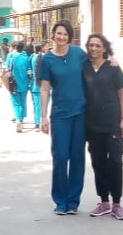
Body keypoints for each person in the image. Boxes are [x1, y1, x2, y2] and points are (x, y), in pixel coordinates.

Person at [39, 20, 88, 216]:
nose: (61, 37)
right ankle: (60, 200)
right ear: (54, 35)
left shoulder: (78, 53)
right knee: (60, 156)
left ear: (70, 37)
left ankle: (73, 201)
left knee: (77, 158)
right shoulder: (47, 59)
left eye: (65, 34)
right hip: (60, 115)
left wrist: (113, 60)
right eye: (59, 33)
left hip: (81, 113)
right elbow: (44, 88)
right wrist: (43, 117)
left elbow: (96, 63)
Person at [83, 33, 123, 221]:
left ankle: (117, 203)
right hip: (92, 124)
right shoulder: (83, 66)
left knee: (116, 162)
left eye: (98, 45)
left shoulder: (112, 67)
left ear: (104, 48)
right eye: (91, 45)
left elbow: (122, 94)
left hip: (112, 123)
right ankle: (104, 201)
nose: (94, 48)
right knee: (98, 163)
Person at [9, 41, 32, 133]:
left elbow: (8, 69)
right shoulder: (27, 58)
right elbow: (29, 72)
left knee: (15, 102)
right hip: (24, 83)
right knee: (23, 101)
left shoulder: (12, 57)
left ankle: (18, 119)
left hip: (14, 83)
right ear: (23, 48)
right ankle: (21, 120)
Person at [30, 43, 45, 132]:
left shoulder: (32, 57)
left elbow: (29, 70)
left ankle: (37, 123)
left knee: (36, 106)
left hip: (35, 85)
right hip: (44, 86)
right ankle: (43, 122)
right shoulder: (45, 57)